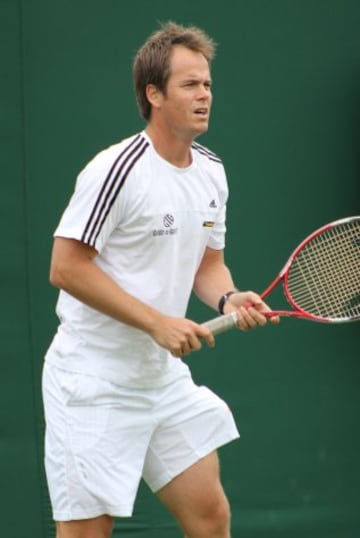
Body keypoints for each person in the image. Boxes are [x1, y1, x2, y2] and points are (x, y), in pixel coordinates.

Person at [42, 21, 279, 538]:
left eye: (208, 84)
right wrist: (156, 322)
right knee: (86, 533)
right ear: (154, 94)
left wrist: (228, 298)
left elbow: (207, 264)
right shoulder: (117, 169)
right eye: (190, 85)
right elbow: (65, 267)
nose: (204, 96)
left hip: (160, 378)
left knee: (210, 517)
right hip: (93, 380)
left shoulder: (212, 171)